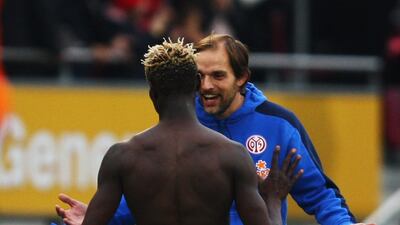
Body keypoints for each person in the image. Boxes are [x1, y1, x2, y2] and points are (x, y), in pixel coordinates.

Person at [56, 34, 375, 225]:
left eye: (218, 76)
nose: (206, 86)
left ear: (242, 78)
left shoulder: (279, 126)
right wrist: (102, 217)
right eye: (199, 76)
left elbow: (321, 197)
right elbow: (152, 198)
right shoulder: (182, 123)